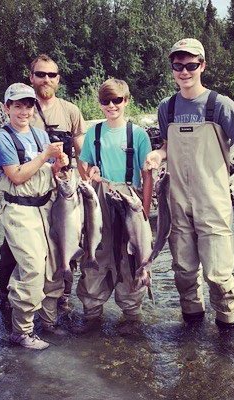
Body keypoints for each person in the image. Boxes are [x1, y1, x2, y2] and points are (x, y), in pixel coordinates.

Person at [144, 38, 234, 330]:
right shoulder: (167, 107)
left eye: (191, 65)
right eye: (178, 66)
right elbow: (167, 146)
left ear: (202, 66)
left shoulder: (221, 106)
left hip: (213, 202)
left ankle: (228, 336)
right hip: (177, 203)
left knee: (218, 275)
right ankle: (191, 329)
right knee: (184, 272)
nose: (184, 72)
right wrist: (157, 154)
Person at [0, 54, 87, 326]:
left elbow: (81, 150)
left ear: (58, 79)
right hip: (22, 200)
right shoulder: (14, 122)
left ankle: (60, 299)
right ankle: (9, 301)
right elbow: (13, 170)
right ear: (31, 77)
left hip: (56, 192)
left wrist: (83, 177)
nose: (46, 79)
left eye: (51, 75)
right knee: (13, 253)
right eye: (40, 74)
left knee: (62, 246)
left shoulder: (70, 110)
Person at [0, 82, 68, 349]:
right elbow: (17, 175)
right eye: (18, 106)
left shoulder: (39, 135)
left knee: (54, 265)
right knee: (33, 267)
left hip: (46, 207)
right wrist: (47, 154)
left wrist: (58, 165)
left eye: (28, 105)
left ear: (34, 108)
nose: (24, 111)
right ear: (7, 108)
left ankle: (49, 321)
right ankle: (21, 330)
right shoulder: (2, 138)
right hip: (20, 211)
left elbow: (50, 173)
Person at [75, 78, 153, 333]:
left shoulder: (138, 134)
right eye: (106, 101)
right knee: (97, 252)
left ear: (126, 101)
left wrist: (145, 209)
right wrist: (91, 176)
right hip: (100, 197)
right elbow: (84, 170)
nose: (111, 106)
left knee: (130, 257)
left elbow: (147, 176)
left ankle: (132, 315)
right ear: (100, 105)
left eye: (117, 100)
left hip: (129, 198)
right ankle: (92, 313)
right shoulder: (93, 134)